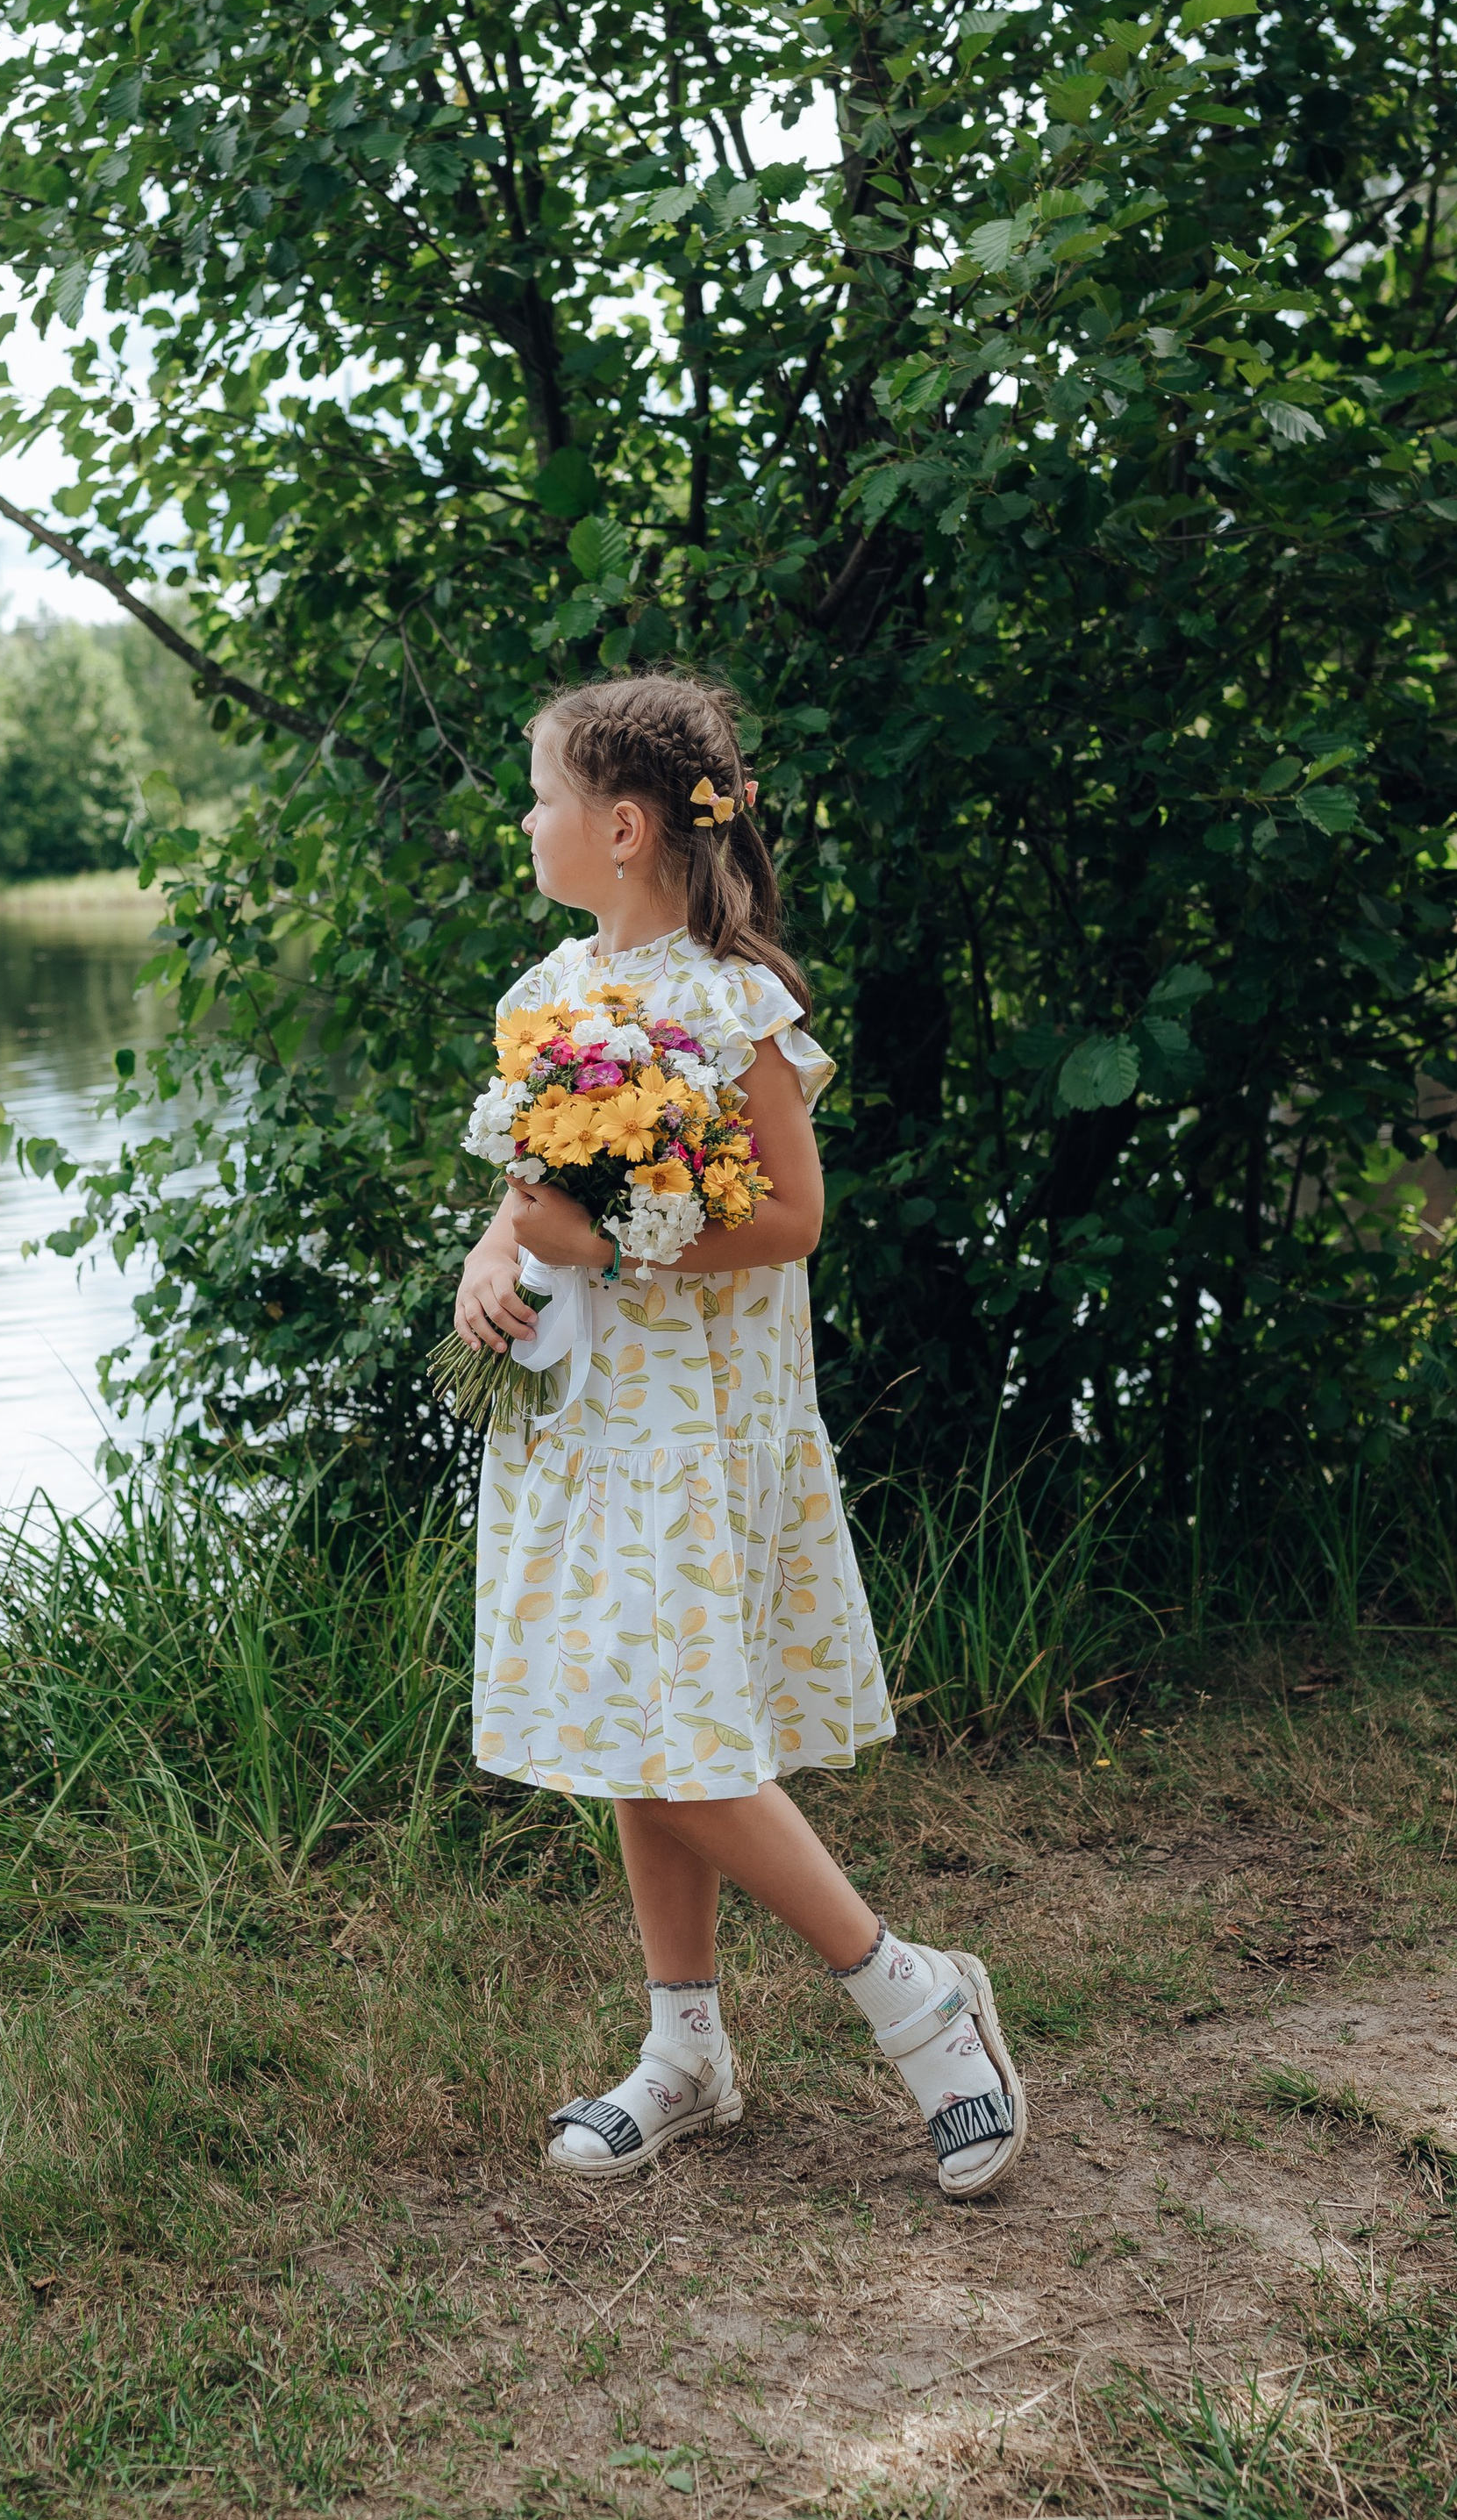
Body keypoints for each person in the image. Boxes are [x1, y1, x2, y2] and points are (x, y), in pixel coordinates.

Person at [457, 670, 1026, 2200]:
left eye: (543, 798)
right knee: (640, 1737)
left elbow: (791, 1218)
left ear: (624, 828)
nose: (526, 821)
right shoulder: (546, 1001)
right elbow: (524, 1197)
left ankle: (916, 2000)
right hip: (585, 1422)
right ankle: (685, 2054)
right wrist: (493, 1261)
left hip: (699, 1425)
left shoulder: (729, 1006)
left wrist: (616, 1242)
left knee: (684, 1739)